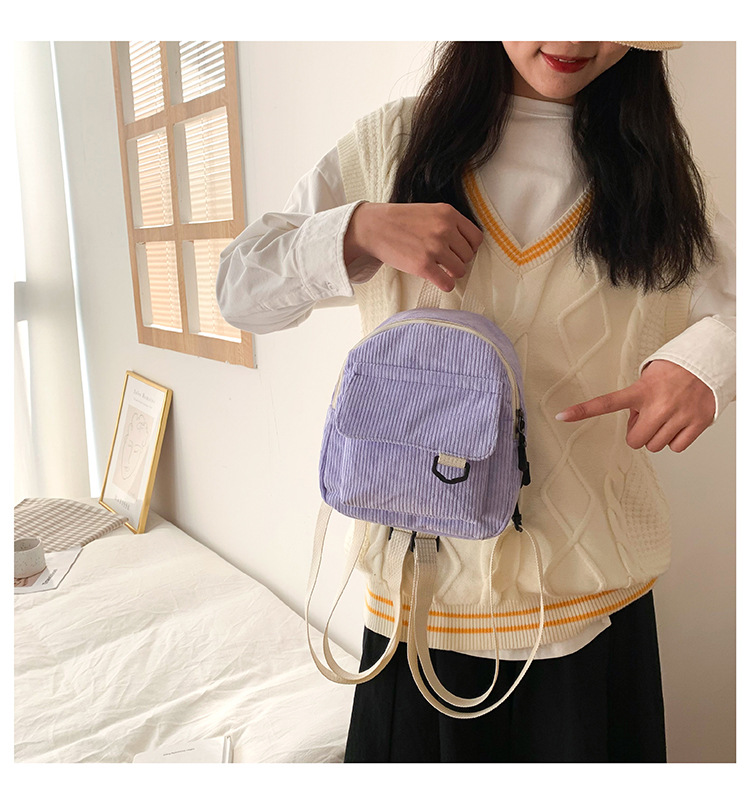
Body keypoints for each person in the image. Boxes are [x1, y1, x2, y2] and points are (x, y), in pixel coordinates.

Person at [215, 42, 736, 762]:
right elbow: (239, 289)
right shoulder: (392, 143)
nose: (572, 36)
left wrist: (704, 365)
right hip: (417, 611)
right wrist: (359, 228)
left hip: (591, 614)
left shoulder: (657, 173)